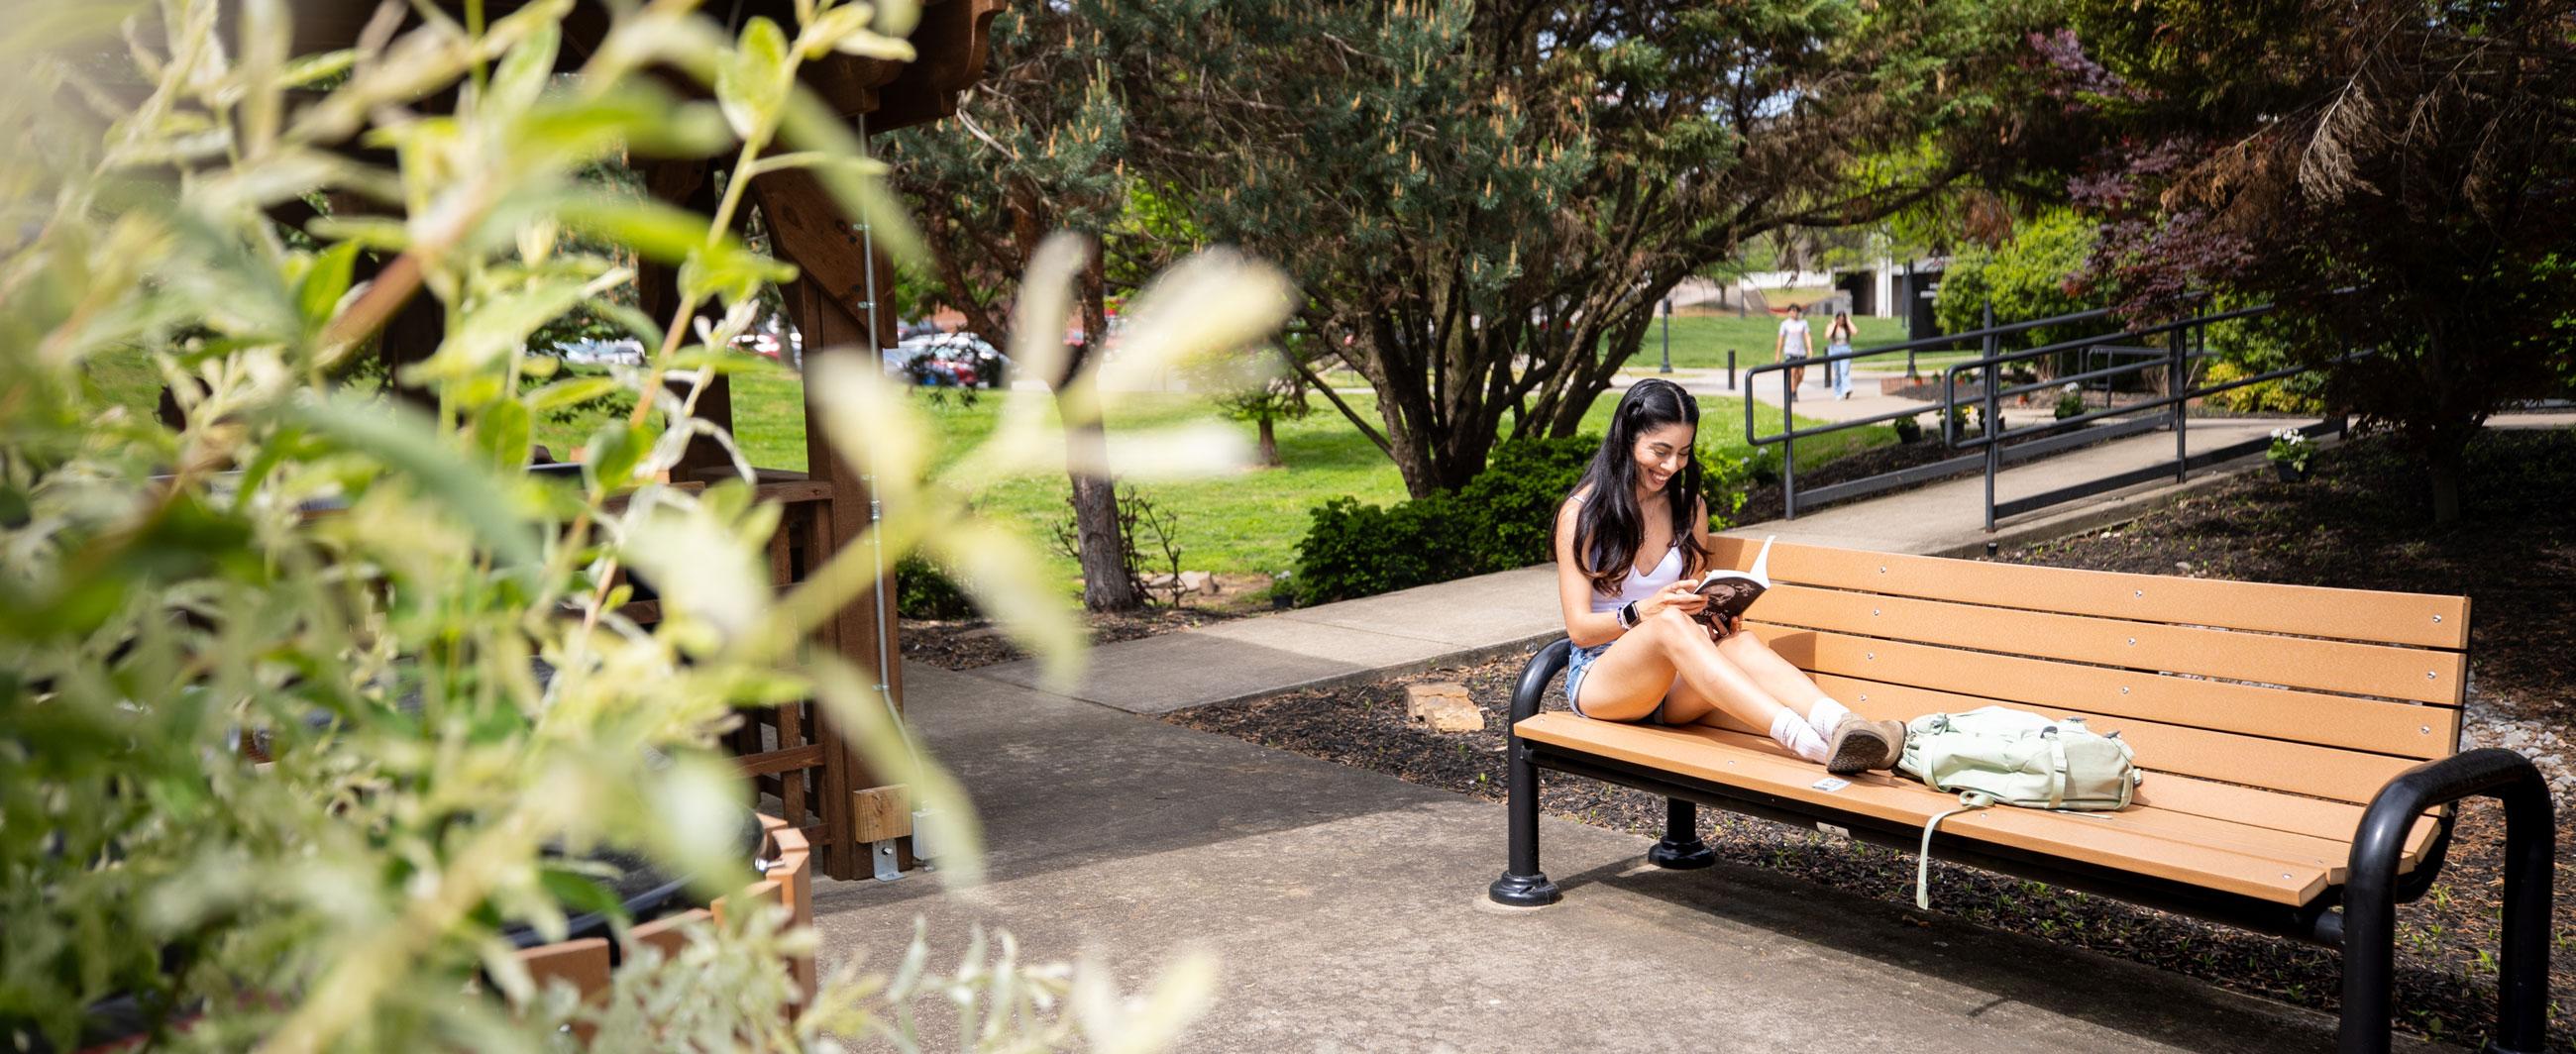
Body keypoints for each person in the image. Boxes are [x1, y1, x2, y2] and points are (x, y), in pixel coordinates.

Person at [1551, 378, 1906, 773]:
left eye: (1683, 453)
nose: (1671, 466)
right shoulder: (1582, 514)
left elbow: (1692, 595)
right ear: (1627, 439)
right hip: (1603, 680)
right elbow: (1579, 630)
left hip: (1676, 680)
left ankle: (1845, 726)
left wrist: (1712, 613)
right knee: (1668, 623)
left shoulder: (1688, 507)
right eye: (1661, 451)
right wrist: (1642, 613)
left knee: (1740, 642)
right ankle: (1809, 745)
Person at [1774, 302, 1812, 393]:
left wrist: (1810, 349)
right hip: (1790, 351)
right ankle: (1793, 392)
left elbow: (1807, 336)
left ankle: (1793, 389)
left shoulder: (1803, 323)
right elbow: (1780, 340)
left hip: (1801, 352)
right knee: (1793, 372)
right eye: (1791, 311)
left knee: (1800, 375)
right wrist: (1777, 355)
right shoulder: (1785, 324)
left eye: (1795, 311)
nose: (1793, 313)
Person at [1825, 310, 1857, 399]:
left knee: (1844, 370)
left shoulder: (1847, 327)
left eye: (1843, 320)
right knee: (1838, 372)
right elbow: (1827, 335)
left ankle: (1846, 389)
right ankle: (1838, 392)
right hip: (1834, 349)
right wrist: (1834, 325)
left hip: (1846, 349)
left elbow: (1855, 332)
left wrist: (1849, 322)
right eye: (1839, 319)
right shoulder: (1832, 326)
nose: (1841, 321)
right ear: (1836, 319)